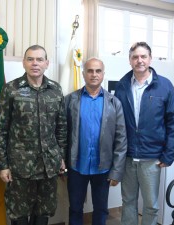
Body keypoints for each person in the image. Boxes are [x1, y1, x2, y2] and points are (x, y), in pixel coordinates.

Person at [0, 45, 67, 225]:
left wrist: (61, 157)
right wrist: (3, 164)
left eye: (39, 59)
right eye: (30, 59)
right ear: (24, 63)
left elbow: (61, 128)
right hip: (20, 167)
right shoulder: (11, 89)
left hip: (48, 166)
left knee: (43, 214)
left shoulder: (55, 90)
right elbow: (1, 129)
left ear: (46, 63)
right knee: (19, 215)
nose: (35, 63)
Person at [115, 42, 174, 225]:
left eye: (143, 56)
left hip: (152, 158)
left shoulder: (164, 86)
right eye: (135, 57)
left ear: (150, 59)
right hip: (128, 158)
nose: (139, 60)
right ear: (130, 61)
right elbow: (116, 123)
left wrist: (168, 154)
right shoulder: (122, 86)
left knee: (151, 205)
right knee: (128, 202)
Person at [65, 57, 127, 225]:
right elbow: (62, 134)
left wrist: (117, 171)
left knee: (101, 209)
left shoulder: (114, 103)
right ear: (83, 73)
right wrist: (62, 163)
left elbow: (121, 139)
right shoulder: (70, 100)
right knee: (75, 208)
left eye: (98, 71)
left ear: (103, 74)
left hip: (103, 168)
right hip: (77, 166)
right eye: (90, 71)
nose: (94, 74)